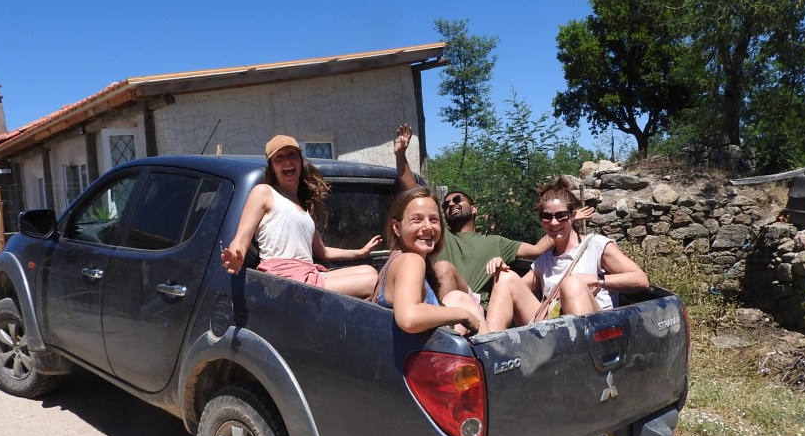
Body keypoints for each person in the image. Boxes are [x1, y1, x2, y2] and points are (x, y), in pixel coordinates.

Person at [393, 123, 593, 306]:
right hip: (445, 307)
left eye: (457, 200)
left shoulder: (495, 243)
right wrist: (401, 155)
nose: (451, 204)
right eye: (445, 204)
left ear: (474, 209)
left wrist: (566, 221)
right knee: (442, 268)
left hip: (479, 309)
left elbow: (537, 249)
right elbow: (413, 192)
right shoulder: (440, 236)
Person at [221, 135, 381, 298]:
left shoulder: (302, 208)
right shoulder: (264, 192)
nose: (287, 161)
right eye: (279, 157)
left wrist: (359, 253)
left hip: (307, 274)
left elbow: (323, 252)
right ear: (272, 168)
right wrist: (236, 256)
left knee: (370, 271)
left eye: (292, 155)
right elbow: (241, 239)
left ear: (300, 161)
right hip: (283, 280)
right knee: (372, 282)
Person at [485, 175, 649, 331]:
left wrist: (593, 279)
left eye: (561, 216)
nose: (554, 222)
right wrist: (500, 270)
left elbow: (640, 280)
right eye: (547, 216)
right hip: (553, 330)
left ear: (572, 216)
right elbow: (512, 290)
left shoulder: (596, 245)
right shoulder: (544, 261)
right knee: (505, 278)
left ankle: (579, 349)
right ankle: (487, 345)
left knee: (572, 284)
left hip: (596, 330)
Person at [371, 186, 485, 335]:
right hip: (418, 348)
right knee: (461, 299)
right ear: (397, 227)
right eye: (417, 220)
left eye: (433, 219)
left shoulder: (395, 260)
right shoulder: (410, 260)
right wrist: (463, 314)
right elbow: (409, 318)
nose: (428, 227)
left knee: (458, 297)